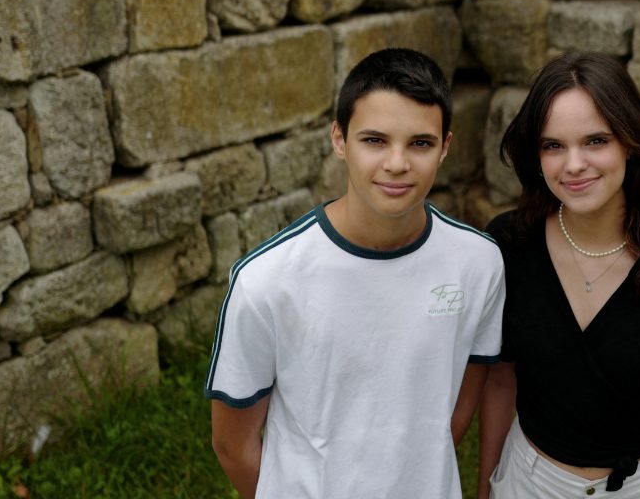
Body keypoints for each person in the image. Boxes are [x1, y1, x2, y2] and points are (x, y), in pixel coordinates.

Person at [206, 47, 505, 499]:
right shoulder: (266, 280)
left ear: (445, 146)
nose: (397, 163)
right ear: (339, 140)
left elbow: (458, 409)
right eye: (375, 140)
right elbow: (232, 444)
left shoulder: (479, 263)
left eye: (420, 143)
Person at [477, 51, 640, 499]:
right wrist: (486, 489)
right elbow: (501, 380)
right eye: (553, 145)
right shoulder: (508, 244)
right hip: (528, 481)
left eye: (596, 140)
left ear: (630, 142)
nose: (574, 165)